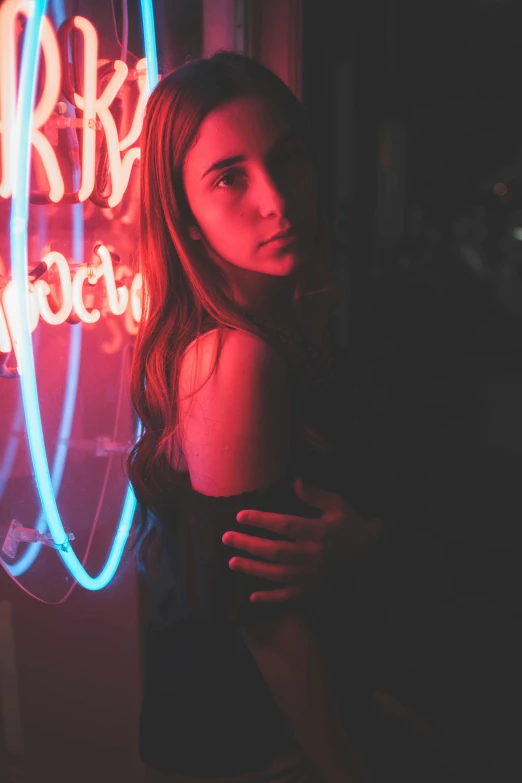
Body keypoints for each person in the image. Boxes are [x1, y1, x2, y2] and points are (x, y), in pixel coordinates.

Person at [127, 50, 392, 783]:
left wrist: (363, 540)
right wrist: (350, 768)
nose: (276, 198)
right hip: (259, 753)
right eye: (229, 177)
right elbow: (267, 622)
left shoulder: (290, 331)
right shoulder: (234, 360)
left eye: (289, 159)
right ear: (183, 210)